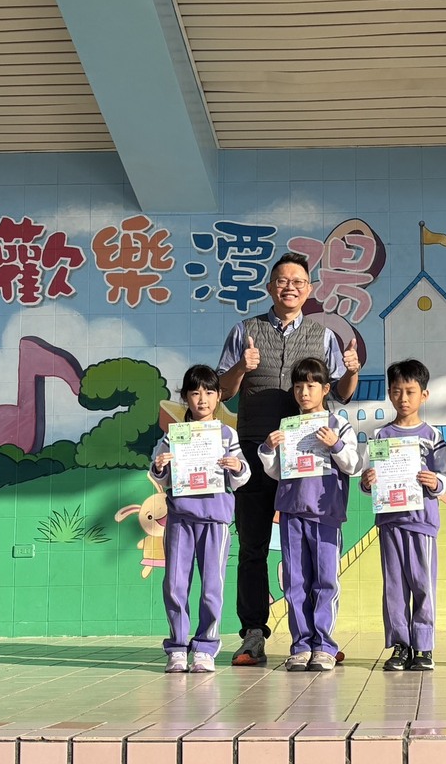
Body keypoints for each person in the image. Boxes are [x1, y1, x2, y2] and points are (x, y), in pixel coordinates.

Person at [217, 252, 361, 666]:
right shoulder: (245, 330)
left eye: (298, 281)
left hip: (310, 457)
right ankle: (253, 634)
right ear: (270, 287)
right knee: (253, 545)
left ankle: (319, 638)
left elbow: (341, 393)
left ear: (309, 289)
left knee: (314, 551)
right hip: (257, 447)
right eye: (282, 281)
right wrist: (242, 367)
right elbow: (224, 390)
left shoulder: (323, 335)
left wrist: (351, 370)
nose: (290, 287)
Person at [257, 357, 361, 671]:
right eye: (299, 386)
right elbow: (278, 472)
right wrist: (267, 449)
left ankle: (324, 646)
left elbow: (354, 465)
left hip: (326, 513)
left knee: (325, 580)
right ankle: (301, 646)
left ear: (326, 389)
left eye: (312, 386)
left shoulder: (338, 424)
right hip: (291, 511)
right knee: (295, 582)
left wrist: (336, 445)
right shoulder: (288, 426)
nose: (304, 392)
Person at [150, 365, 251, 673]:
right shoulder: (174, 436)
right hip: (180, 518)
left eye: (209, 392)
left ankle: (206, 647)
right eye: (195, 393)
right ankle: (177, 648)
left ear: (219, 396)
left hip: (215, 519)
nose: (202, 399)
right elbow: (159, 475)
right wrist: (160, 466)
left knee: (212, 586)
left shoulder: (227, 435)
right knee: (175, 585)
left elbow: (243, 475)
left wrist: (236, 466)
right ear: (185, 397)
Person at [359, 359, 446, 671]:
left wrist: (435, 482)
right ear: (389, 393)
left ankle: (423, 647)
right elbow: (368, 479)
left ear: (424, 395)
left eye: (410, 391)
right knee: (394, 587)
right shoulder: (380, 435)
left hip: (422, 521)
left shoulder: (433, 435)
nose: (403, 398)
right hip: (390, 521)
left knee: (423, 584)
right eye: (397, 391)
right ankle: (400, 645)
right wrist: (367, 481)